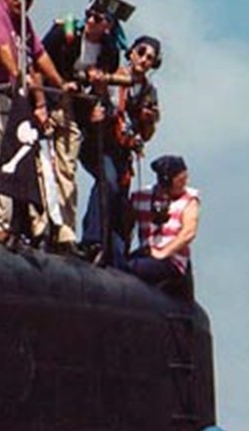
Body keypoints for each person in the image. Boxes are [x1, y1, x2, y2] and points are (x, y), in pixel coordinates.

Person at [0, 0, 69, 242]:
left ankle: (4, 221)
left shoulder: (23, 23)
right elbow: (2, 48)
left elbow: (39, 56)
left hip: (9, 100)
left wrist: (60, 85)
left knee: (7, 160)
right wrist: (17, 76)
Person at [37, 1, 122, 255]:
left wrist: (98, 92)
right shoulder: (64, 33)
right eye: (91, 16)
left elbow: (102, 89)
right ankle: (42, 225)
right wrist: (43, 103)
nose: (93, 21)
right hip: (53, 102)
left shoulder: (108, 51)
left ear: (108, 25)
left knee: (67, 168)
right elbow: (38, 63)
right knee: (45, 165)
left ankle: (65, 228)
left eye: (100, 18)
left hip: (75, 111)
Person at [79, 34, 161, 268]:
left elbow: (146, 134)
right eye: (142, 53)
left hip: (122, 153)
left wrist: (147, 121)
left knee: (121, 202)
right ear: (132, 52)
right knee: (108, 183)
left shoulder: (147, 92)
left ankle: (115, 253)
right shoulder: (115, 76)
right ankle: (92, 240)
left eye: (150, 58)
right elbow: (91, 100)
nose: (144, 60)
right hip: (100, 143)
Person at [127, 154, 199, 293]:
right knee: (121, 265)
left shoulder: (189, 199)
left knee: (132, 268)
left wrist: (164, 252)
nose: (185, 183)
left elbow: (189, 232)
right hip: (147, 253)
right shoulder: (141, 197)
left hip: (171, 260)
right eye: (181, 180)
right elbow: (126, 224)